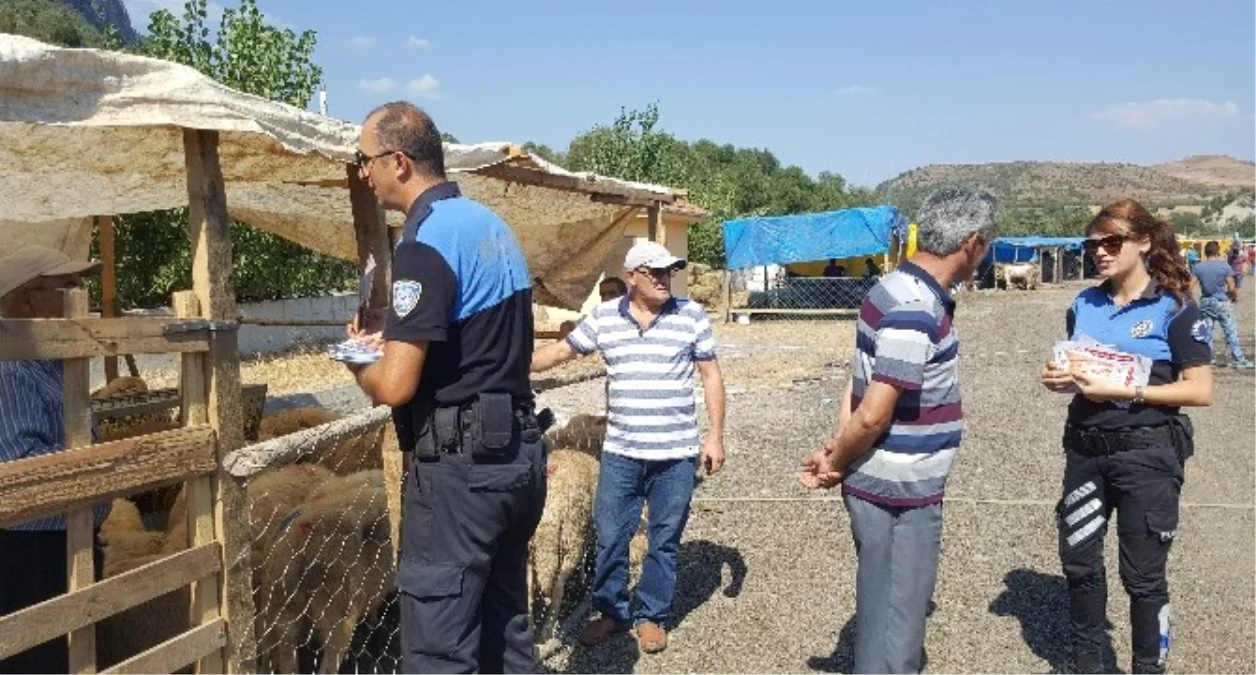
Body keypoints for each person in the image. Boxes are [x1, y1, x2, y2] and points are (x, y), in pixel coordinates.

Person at [345, 101, 546, 674]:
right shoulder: (489, 225)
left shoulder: (424, 241)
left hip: (461, 475)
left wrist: (358, 357)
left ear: (399, 162)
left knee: (438, 651)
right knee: (504, 636)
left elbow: (396, 386)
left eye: (366, 161)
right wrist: (397, 329)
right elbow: (477, 333)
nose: (364, 173)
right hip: (516, 455)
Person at [797, 187, 998, 675]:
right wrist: (837, 458)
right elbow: (874, 414)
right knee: (898, 624)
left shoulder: (892, 287)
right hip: (900, 490)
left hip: (882, 479)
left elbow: (857, 378)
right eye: (987, 244)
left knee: (879, 605)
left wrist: (836, 447)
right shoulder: (915, 309)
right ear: (972, 242)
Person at [1039, 199, 1213, 675]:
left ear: (1144, 243)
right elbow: (1079, 365)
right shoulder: (1084, 304)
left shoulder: (1175, 308)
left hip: (1147, 454)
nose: (1099, 252)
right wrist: (1060, 377)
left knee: (1143, 577)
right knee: (1079, 564)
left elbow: (1201, 390)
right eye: (1092, 244)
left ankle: (1146, 667)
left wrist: (1127, 389)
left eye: (1110, 242)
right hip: (1085, 451)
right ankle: (1087, 665)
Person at [530, 241, 727, 655]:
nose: (663, 279)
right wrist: (509, 363)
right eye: (654, 272)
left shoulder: (690, 315)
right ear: (632, 275)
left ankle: (652, 616)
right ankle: (612, 612)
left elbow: (711, 375)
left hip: (675, 455)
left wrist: (714, 436)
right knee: (611, 535)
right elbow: (563, 351)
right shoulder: (604, 317)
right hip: (621, 453)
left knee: (664, 537)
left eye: (668, 271)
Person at [0, 245, 105, 675]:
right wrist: (113, 465)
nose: (81, 296)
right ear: (26, 299)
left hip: (67, 539)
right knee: (38, 660)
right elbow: (19, 471)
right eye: (67, 286)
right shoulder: (11, 370)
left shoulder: (50, 364)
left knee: (68, 655)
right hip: (30, 553)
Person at [1192, 240, 1253, 368]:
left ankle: (1206, 358)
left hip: (1205, 301)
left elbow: (1189, 286)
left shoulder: (1198, 267)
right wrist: (1232, 296)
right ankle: (1238, 359)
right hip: (1220, 300)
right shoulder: (1224, 266)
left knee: (1206, 331)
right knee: (1230, 330)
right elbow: (1231, 287)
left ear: (1205, 252)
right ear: (1218, 251)